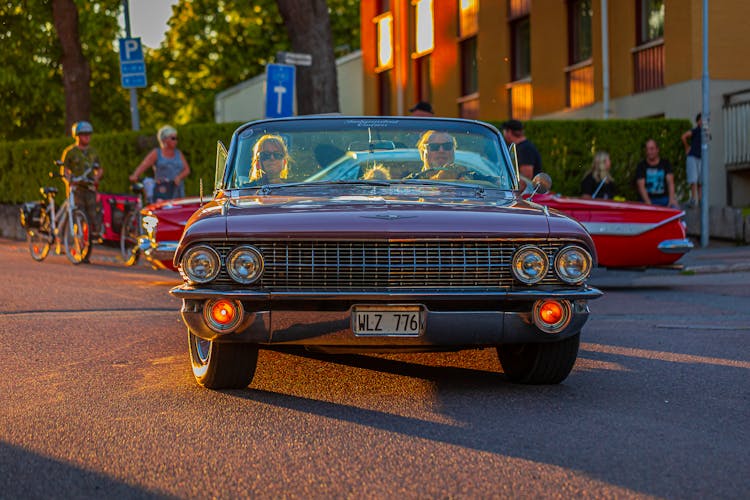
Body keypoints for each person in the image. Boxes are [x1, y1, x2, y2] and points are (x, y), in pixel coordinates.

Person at [60, 121, 103, 262]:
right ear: (77, 136)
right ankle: (78, 247)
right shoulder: (70, 152)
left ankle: (87, 248)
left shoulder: (93, 152)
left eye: (88, 134)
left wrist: (96, 178)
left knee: (91, 219)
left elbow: (99, 168)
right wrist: (69, 180)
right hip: (76, 188)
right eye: (84, 134)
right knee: (78, 215)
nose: (87, 137)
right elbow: (65, 170)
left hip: (89, 188)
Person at [129, 125, 191, 200]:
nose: (176, 141)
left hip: (177, 190)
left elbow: (187, 169)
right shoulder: (157, 153)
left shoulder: (178, 153)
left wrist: (179, 177)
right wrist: (135, 175)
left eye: (176, 138)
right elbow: (144, 165)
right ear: (164, 139)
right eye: (173, 138)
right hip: (163, 191)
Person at [635, 138, 677, 207]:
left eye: (651, 149)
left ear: (657, 150)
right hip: (647, 200)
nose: (649, 152)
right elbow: (641, 187)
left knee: (676, 210)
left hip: (664, 199)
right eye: (647, 149)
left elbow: (670, 183)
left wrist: (671, 199)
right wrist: (649, 204)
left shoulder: (665, 163)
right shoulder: (641, 166)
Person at [501, 119, 542, 189]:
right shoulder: (521, 147)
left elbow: (526, 178)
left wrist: (516, 195)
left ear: (509, 132)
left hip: (526, 194)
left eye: (504, 131)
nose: (503, 134)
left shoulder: (525, 149)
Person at [681, 113, 703, 206]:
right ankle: (693, 198)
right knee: (693, 179)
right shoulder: (695, 130)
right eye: (701, 120)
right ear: (698, 121)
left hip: (700, 157)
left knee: (700, 181)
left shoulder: (704, 132)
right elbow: (684, 136)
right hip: (693, 156)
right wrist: (687, 147)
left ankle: (701, 200)